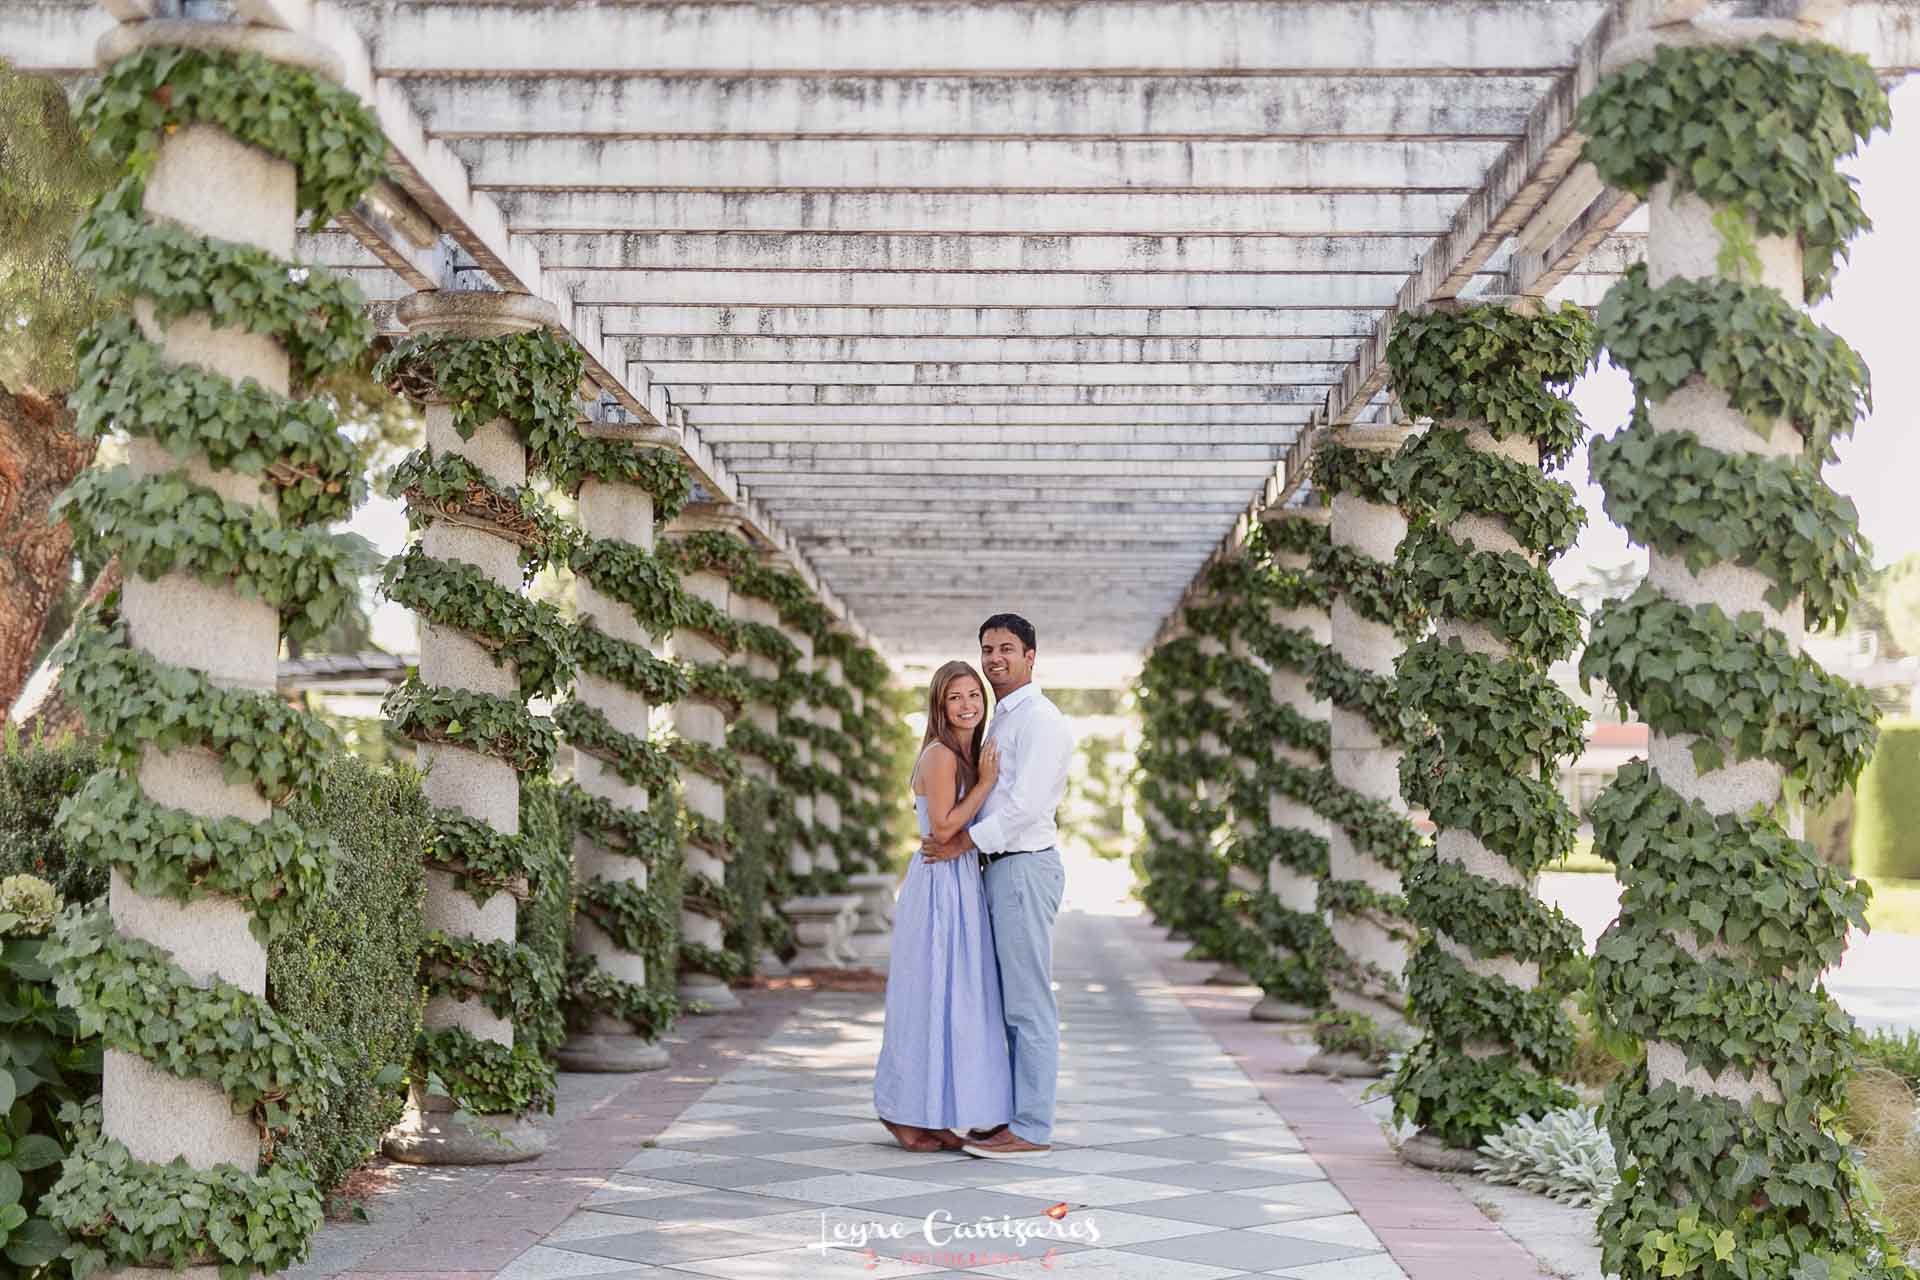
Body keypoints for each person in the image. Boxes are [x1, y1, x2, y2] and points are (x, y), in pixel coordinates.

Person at [921, 614, 1073, 1159]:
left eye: (1006, 649)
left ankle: (1031, 1127)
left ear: (1032, 655)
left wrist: (964, 842)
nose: (994, 660)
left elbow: (1026, 804)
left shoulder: (1041, 721)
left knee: (1028, 1005)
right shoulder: (1002, 718)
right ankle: (1008, 1115)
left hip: (1022, 865)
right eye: (987, 649)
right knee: (1003, 1001)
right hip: (1000, 868)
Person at [871, 661, 1013, 1152]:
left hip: (957, 881)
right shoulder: (940, 754)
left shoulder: (961, 753)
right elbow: (945, 829)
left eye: (974, 694)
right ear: (939, 704)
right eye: (956, 697)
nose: (968, 705)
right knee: (928, 997)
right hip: (937, 885)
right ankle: (900, 1112)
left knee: (950, 1000)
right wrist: (987, 783)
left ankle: (931, 1113)